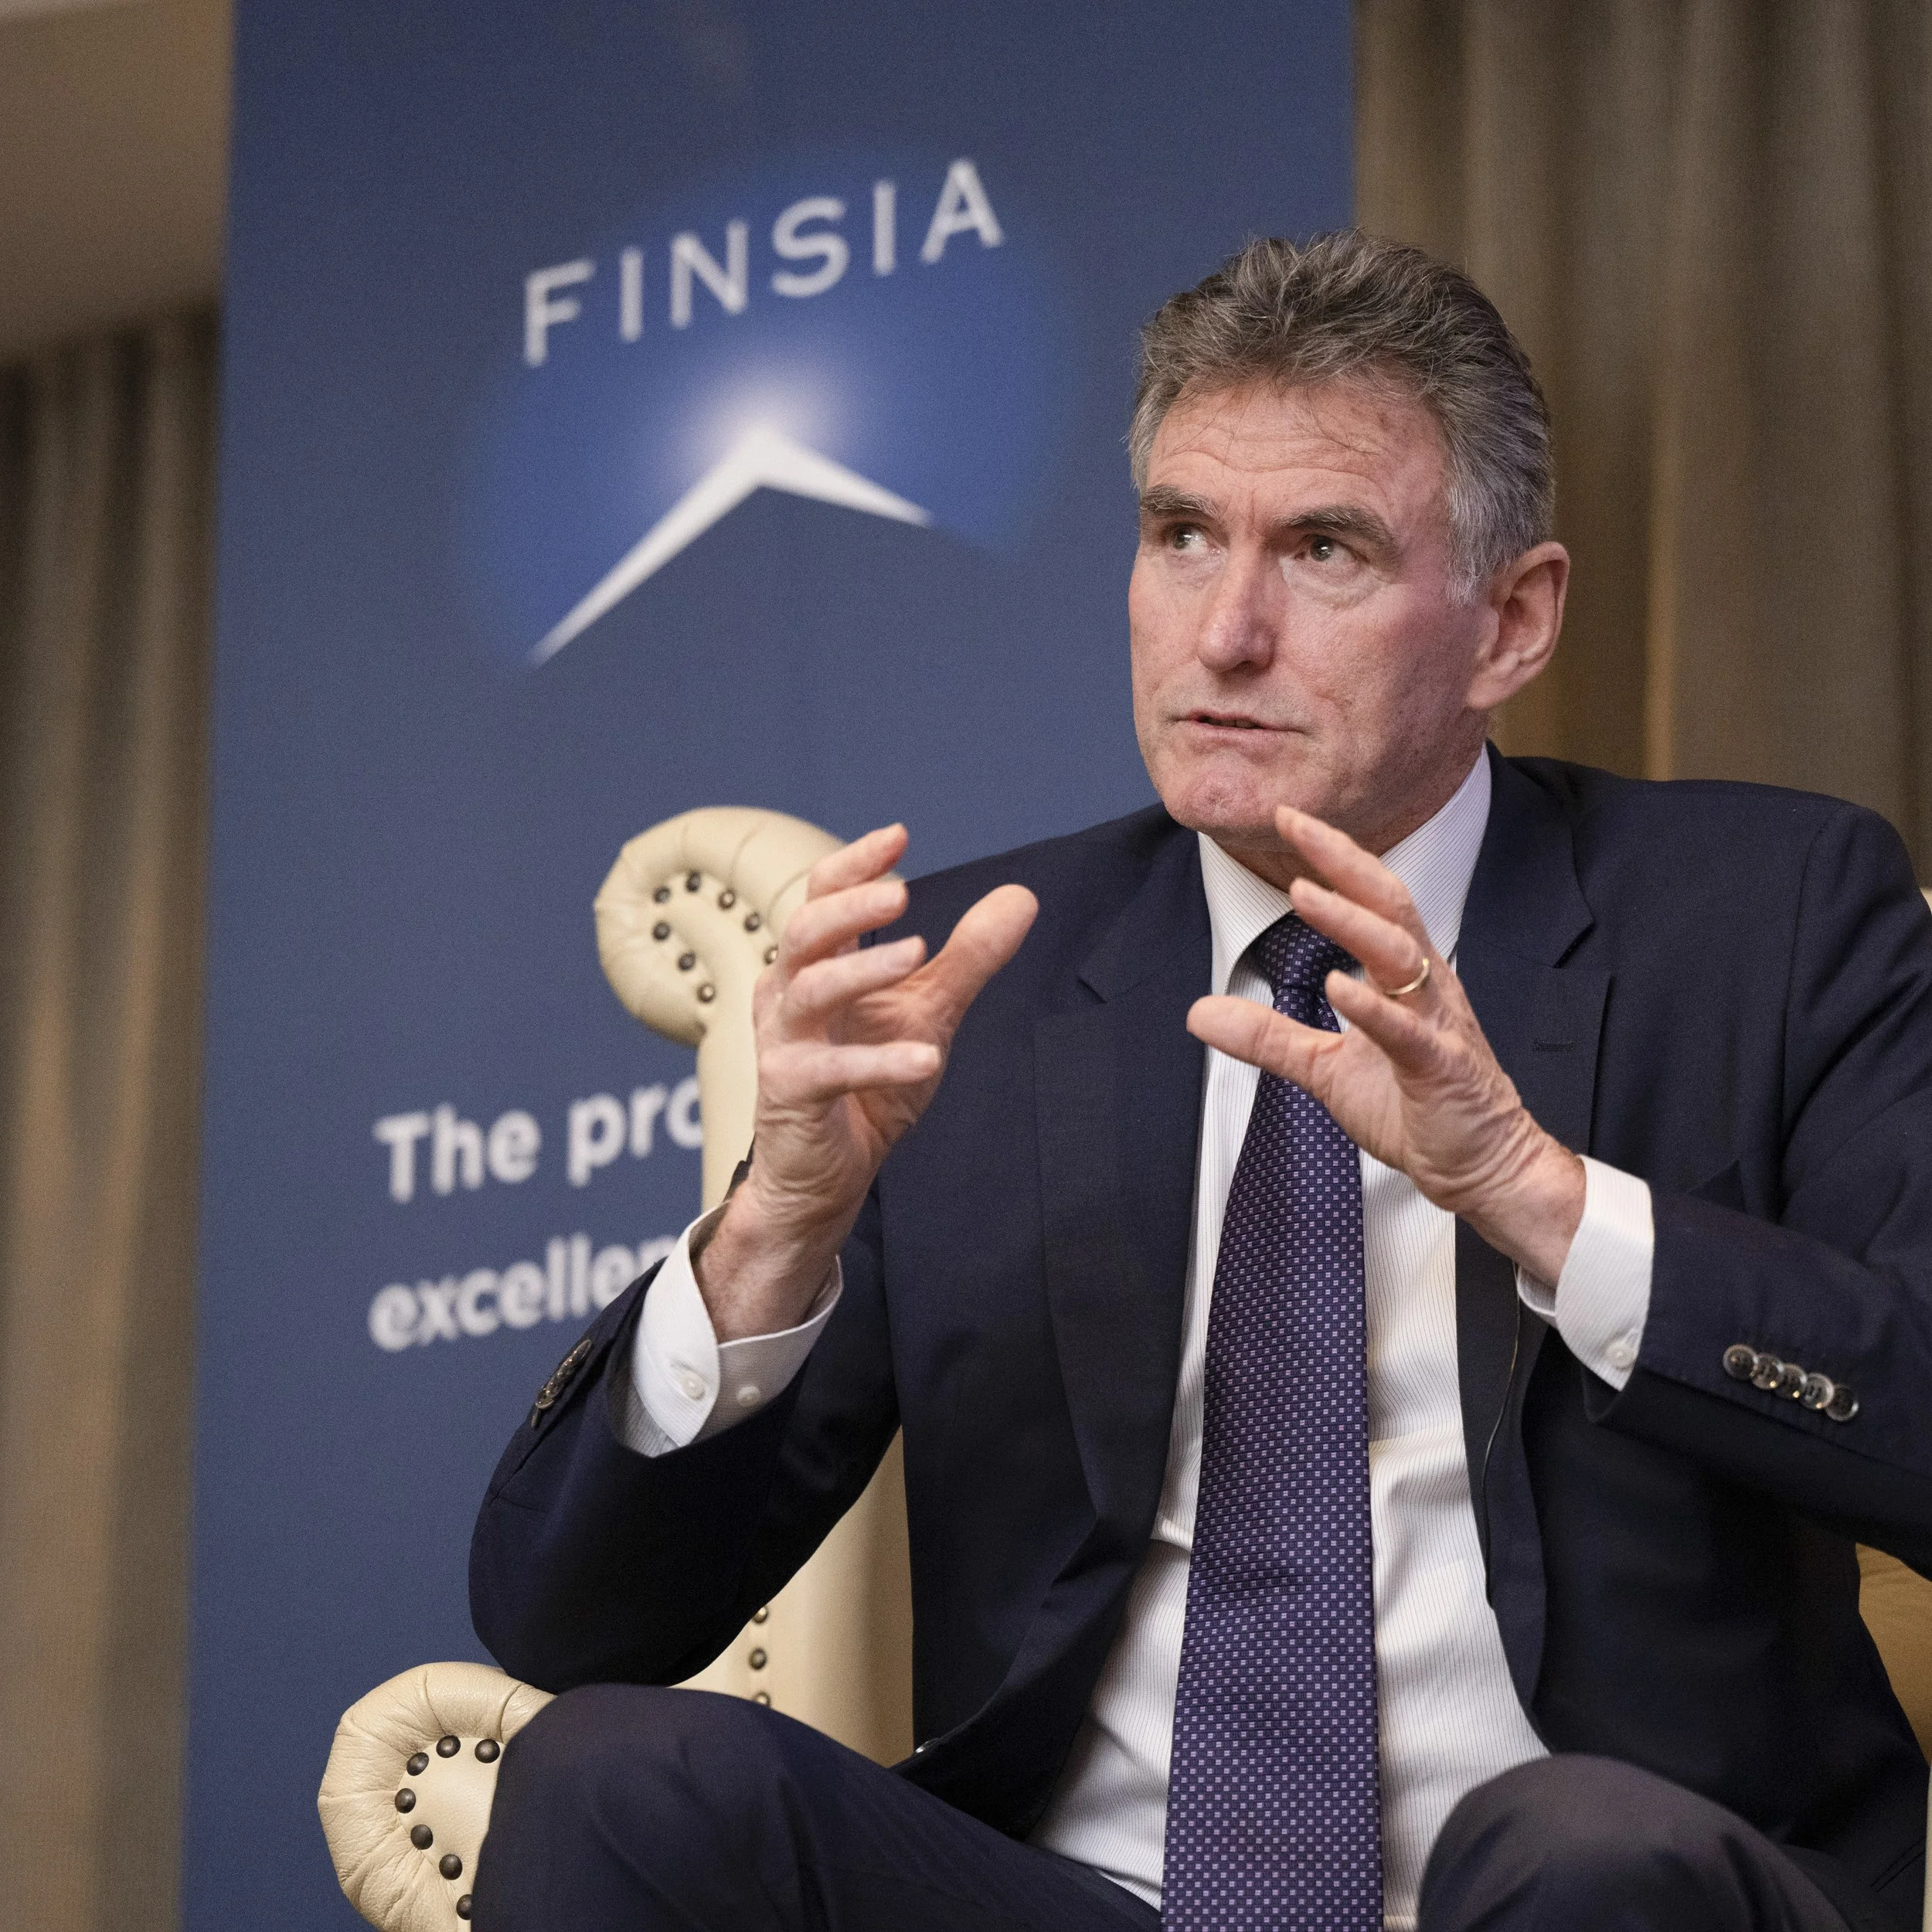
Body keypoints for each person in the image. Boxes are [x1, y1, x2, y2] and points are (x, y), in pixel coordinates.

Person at [468, 232, 1932, 1932]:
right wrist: (777, 1232)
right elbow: (568, 1624)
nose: (1224, 633)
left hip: (1588, 1880)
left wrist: (1538, 1197)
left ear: (1509, 621)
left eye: (1321, 549)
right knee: (614, 1777)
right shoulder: (979, 983)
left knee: (1576, 1851)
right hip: (1090, 1894)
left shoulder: (1763, 915)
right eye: (1180, 536)